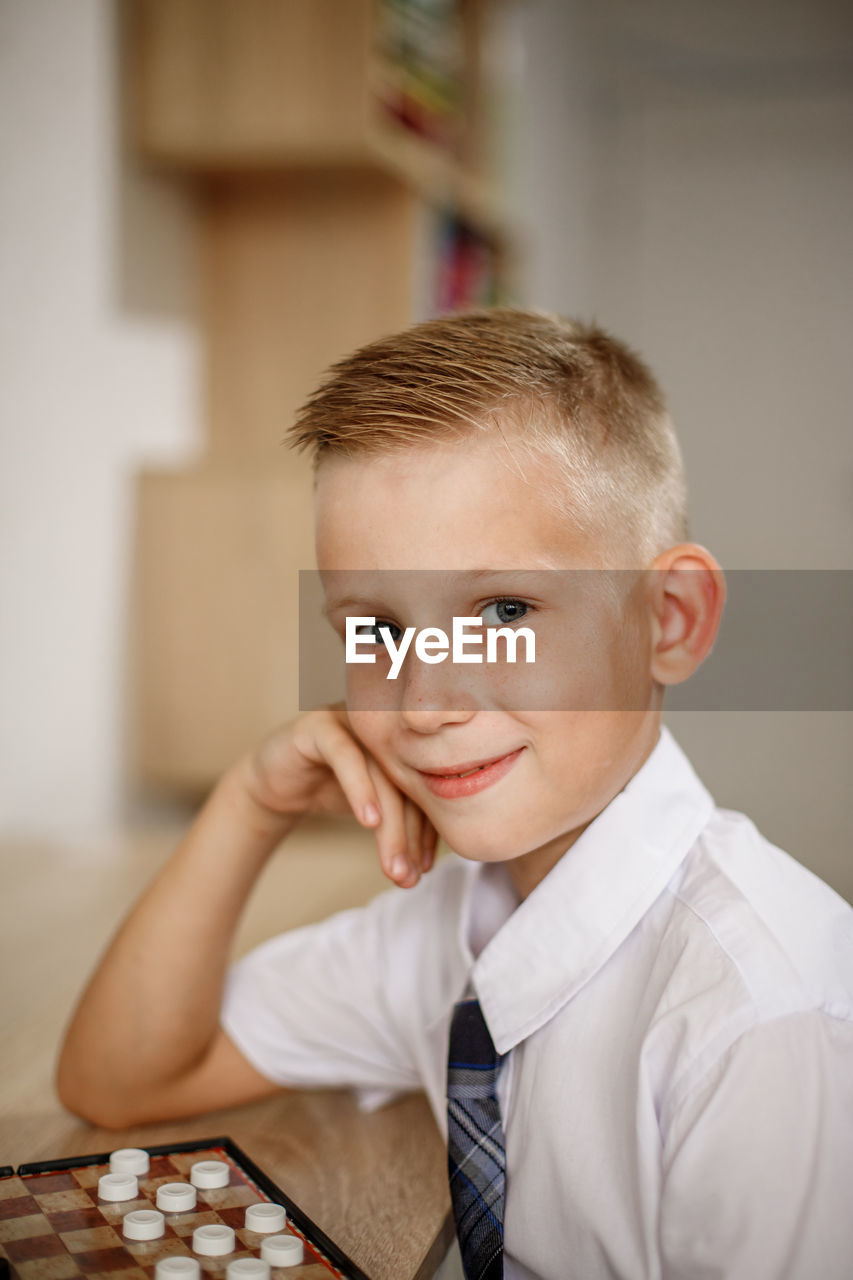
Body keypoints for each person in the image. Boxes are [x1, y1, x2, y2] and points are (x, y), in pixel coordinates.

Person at [57, 309, 853, 1279]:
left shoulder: (758, 1019)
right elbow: (124, 1075)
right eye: (378, 628)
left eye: (504, 609)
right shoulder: (442, 928)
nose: (426, 699)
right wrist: (253, 801)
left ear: (668, 621)